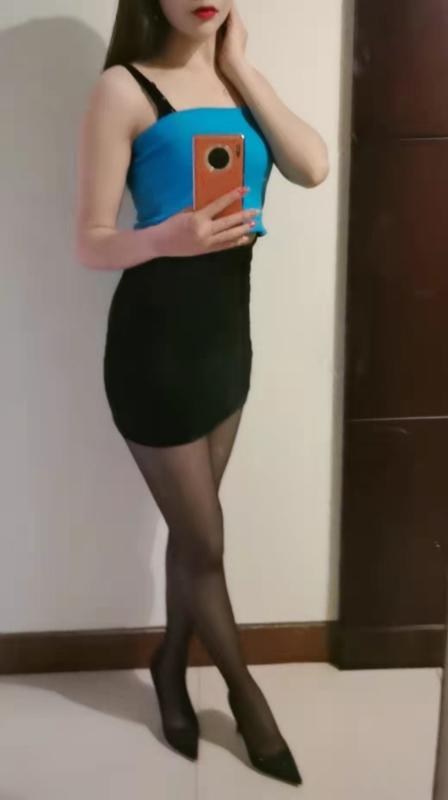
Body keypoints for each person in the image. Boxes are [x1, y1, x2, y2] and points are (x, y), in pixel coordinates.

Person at [75, 0, 329, 786]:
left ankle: (167, 665)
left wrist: (240, 65)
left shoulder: (239, 85)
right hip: (153, 349)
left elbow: (313, 166)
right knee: (208, 543)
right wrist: (167, 237)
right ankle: (247, 698)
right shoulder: (125, 88)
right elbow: (90, 241)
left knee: (194, 538)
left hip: (226, 344)